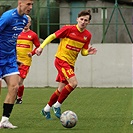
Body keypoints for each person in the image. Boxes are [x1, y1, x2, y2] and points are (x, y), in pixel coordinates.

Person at [36, 9, 97, 119]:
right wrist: (41, 47)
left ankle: (46, 109)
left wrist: (88, 52)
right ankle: (57, 105)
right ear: (77, 19)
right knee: (73, 83)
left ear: (88, 22)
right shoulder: (68, 29)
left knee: (61, 90)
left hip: (70, 64)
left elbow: (83, 52)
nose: (83, 22)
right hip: (61, 60)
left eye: (86, 20)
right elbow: (52, 36)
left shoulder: (87, 35)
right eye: (81, 19)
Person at [0, 0, 34, 129]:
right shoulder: (8, 17)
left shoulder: (24, 20)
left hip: (9, 59)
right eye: (28, 4)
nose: (30, 7)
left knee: (14, 87)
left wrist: (14, 57)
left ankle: (4, 120)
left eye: (32, 5)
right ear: (20, 3)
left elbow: (13, 40)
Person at [16, 15, 40, 104]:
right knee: (14, 81)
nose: (25, 23)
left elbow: (38, 47)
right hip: (15, 60)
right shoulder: (17, 33)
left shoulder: (33, 35)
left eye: (28, 22)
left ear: (30, 23)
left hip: (25, 62)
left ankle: (19, 98)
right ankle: (16, 96)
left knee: (19, 81)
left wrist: (32, 53)